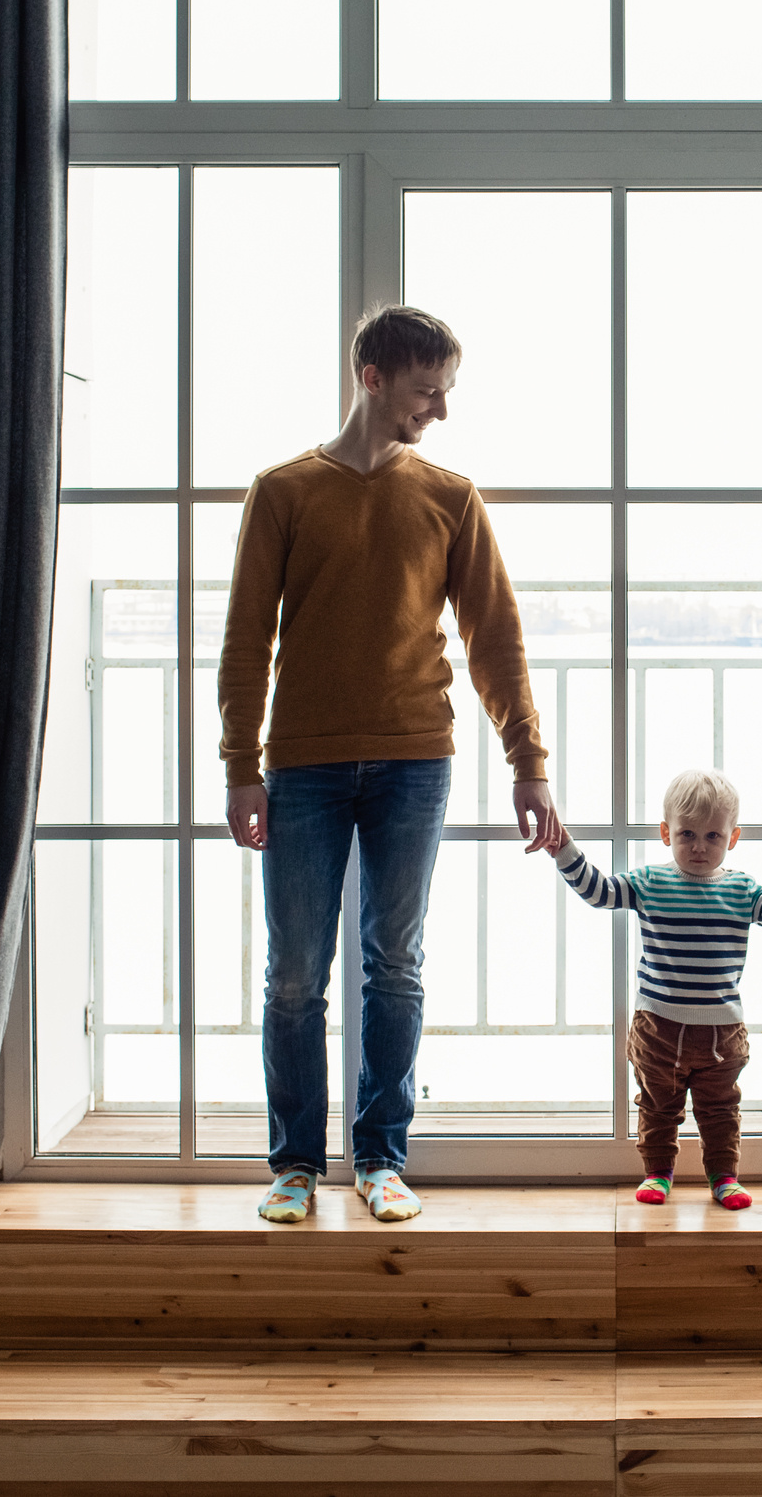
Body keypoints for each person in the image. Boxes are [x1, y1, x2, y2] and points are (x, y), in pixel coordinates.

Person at [219, 304, 561, 1226]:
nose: (439, 410)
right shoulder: (283, 491)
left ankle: (379, 1157)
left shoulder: (450, 496)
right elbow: (246, 639)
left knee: (394, 965)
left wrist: (529, 761)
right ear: (373, 378)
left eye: (445, 392)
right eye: (427, 391)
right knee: (294, 971)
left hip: (416, 760)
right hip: (303, 767)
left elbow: (496, 638)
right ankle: (294, 1163)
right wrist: (239, 763)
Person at [550, 768, 762, 1210]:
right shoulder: (650, 882)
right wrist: (564, 848)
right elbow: (598, 892)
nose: (698, 846)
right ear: (665, 832)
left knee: (720, 1111)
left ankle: (724, 1177)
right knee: (658, 1107)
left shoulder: (740, 887)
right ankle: (658, 1172)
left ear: (732, 839)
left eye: (713, 836)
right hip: (658, 1027)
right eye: (686, 833)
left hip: (721, 1032)